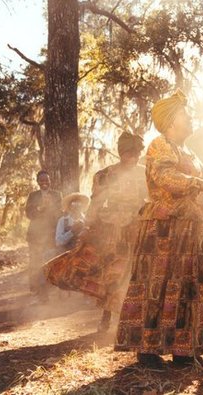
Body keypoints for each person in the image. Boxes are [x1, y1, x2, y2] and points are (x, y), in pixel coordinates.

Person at [114, 89, 203, 368]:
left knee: (189, 288)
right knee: (160, 284)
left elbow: (200, 178)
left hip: (193, 229)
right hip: (167, 231)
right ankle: (148, 349)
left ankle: (184, 349)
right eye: (184, 115)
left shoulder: (188, 151)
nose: (190, 119)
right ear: (170, 122)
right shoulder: (159, 145)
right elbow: (165, 176)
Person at [44, 132, 147, 332]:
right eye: (128, 152)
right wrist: (88, 227)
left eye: (135, 153)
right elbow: (96, 203)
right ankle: (106, 318)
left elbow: (152, 197)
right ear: (121, 152)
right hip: (111, 231)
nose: (132, 157)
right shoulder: (105, 175)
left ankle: (134, 319)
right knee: (110, 273)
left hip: (139, 227)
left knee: (137, 273)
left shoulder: (145, 173)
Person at [25, 170, 62, 302]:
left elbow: (59, 214)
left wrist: (51, 207)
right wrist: (39, 208)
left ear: (50, 180)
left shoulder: (57, 195)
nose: (44, 183)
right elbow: (28, 214)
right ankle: (36, 289)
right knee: (35, 262)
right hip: (35, 235)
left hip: (51, 235)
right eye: (41, 180)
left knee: (50, 260)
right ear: (38, 182)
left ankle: (49, 287)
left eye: (46, 180)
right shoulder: (33, 195)